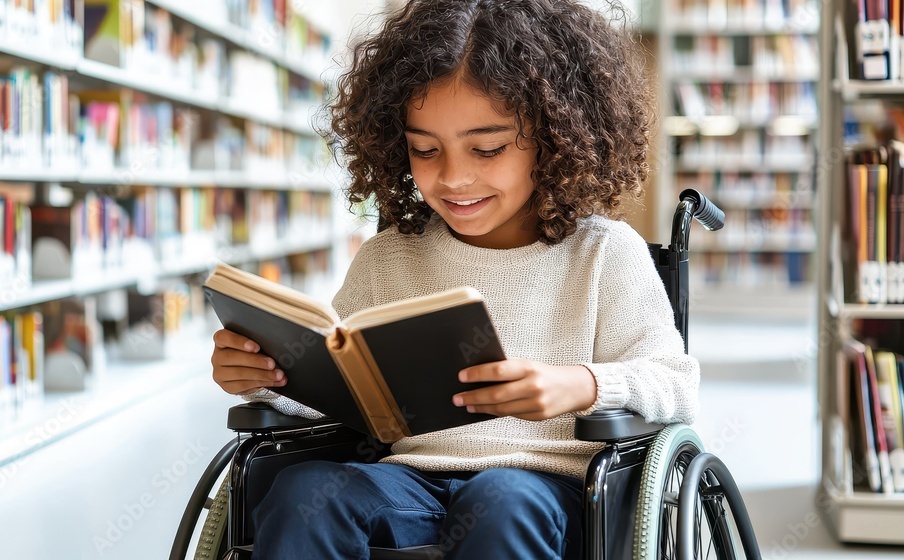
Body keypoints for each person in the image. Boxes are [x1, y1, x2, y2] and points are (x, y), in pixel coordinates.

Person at [210, 1, 698, 558]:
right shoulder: (389, 257)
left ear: (556, 136)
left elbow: (676, 384)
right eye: (425, 149)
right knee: (304, 493)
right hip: (409, 481)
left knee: (501, 497)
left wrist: (581, 384)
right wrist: (265, 372)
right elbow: (342, 388)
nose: (454, 177)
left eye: (486, 148)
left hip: (546, 491)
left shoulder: (604, 254)